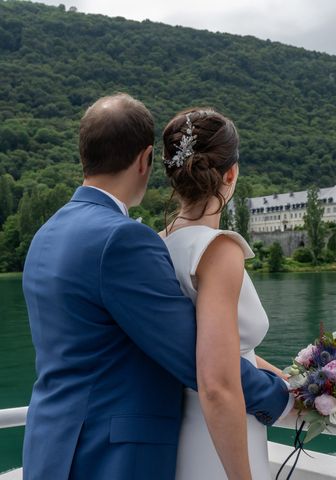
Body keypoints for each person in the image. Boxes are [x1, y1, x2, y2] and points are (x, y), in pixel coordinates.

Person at [21, 93, 291, 480]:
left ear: (84, 153)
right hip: (109, 457)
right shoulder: (123, 240)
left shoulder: (46, 234)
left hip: (51, 446)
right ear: (147, 159)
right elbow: (200, 365)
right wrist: (288, 396)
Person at [160, 108, 290, 480]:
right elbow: (218, 383)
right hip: (221, 434)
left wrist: (297, 384)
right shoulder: (219, 250)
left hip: (176, 425)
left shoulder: (155, 246)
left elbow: (223, 349)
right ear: (230, 174)